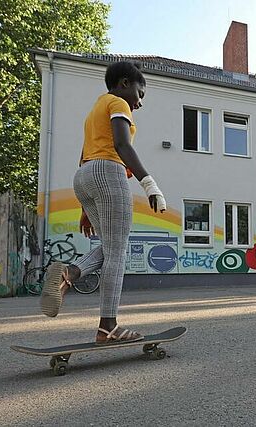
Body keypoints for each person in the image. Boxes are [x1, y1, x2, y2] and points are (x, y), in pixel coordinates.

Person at [40, 60, 166, 344]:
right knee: (118, 253)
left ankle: (69, 273)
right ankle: (108, 326)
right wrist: (149, 183)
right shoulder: (118, 103)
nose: (140, 103)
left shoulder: (95, 110)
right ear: (124, 84)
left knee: (110, 248)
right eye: (140, 93)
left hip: (84, 177)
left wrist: (85, 207)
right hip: (108, 173)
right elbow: (123, 145)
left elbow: (84, 155)